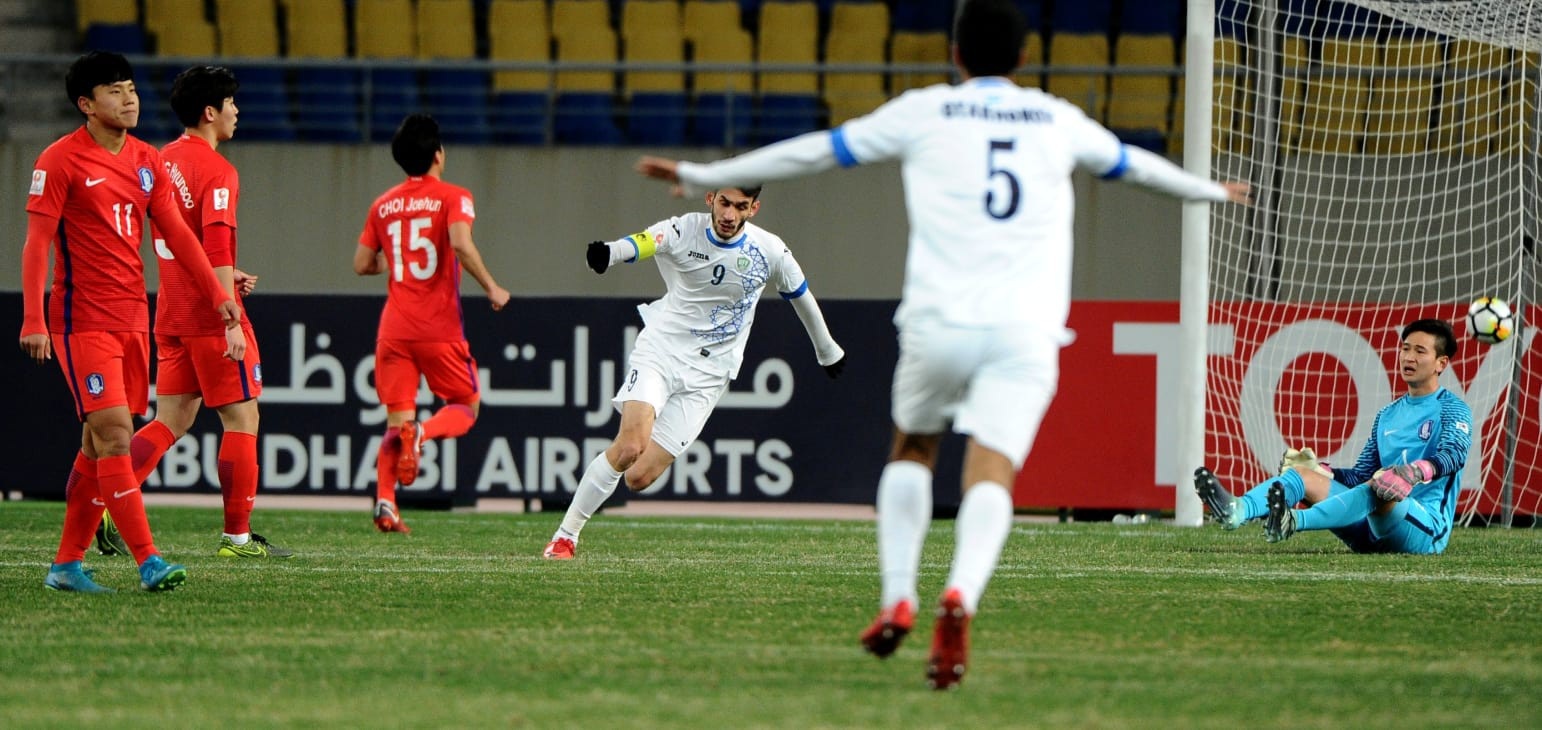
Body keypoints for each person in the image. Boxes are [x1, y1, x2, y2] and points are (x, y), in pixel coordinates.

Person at [634, 0, 1251, 690]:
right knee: (992, 468)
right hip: (1025, 327)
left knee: (915, 449)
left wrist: (704, 174)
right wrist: (1208, 190)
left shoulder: (926, 110)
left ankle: (899, 592)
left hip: (939, 320)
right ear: (1024, 58)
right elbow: (1134, 165)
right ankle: (960, 594)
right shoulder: (1055, 118)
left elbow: (818, 150)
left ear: (956, 54)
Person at [21, 51, 242, 593]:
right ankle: (149, 561)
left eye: (132, 89)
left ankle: (66, 566)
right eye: (115, 91)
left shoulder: (148, 160)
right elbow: (37, 244)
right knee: (117, 436)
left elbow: (178, 235)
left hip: (131, 316)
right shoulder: (59, 161)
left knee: (96, 447)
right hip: (80, 319)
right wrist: (33, 318)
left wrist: (219, 295)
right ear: (86, 104)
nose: (129, 99)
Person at [541, 185, 847, 560]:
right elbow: (646, 241)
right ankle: (565, 537)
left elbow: (800, 295)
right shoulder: (686, 229)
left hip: (709, 375)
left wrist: (827, 349)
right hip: (662, 351)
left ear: (754, 208)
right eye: (723, 203)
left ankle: (577, 521)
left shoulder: (770, 251)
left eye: (740, 207)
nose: (729, 215)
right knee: (630, 446)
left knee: (639, 477)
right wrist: (610, 252)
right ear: (710, 200)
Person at [110, 65, 291, 559]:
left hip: (169, 309)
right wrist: (229, 314)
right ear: (210, 112)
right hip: (210, 315)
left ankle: (112, 502)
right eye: (231, 103)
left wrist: (225, 275)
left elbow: (178, 240)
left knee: (171, 417)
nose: (237, 111)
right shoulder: (218, 171)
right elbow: (212, 241)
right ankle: (236, 538)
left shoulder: (158, 160)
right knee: (242, 418)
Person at [1195, 319, 1471, 555]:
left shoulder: (1451, 408)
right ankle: (1237, 510)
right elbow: (1360, 475)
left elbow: (1453, 454)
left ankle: (1293, 521)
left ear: (1440, 363)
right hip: (1371, 525)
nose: (1408, 357)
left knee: (1380, 485)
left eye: (1419, 351)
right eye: (1405, 348)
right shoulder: (1387, 414)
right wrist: (1324, 471)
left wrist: (1413, 471)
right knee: (1302, 475)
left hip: (1425, 530)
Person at [354, 113, 510, 533]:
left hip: (394, 328)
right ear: (439, 155)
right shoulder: (453, 196)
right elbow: (460, 242)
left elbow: (362, 264)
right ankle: (422, 432)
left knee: (394, 421)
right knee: (466, 406)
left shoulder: (382, 204)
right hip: (438, 327)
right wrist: (492, 287)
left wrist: (399, 260)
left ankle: (385, 502)